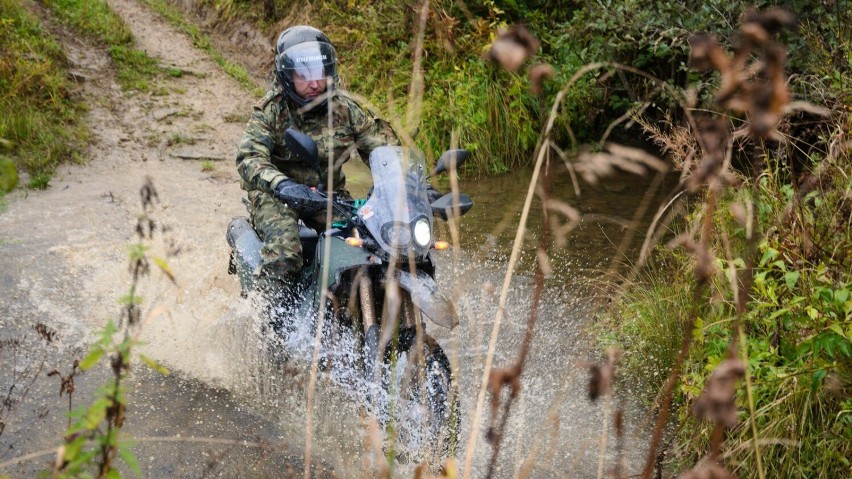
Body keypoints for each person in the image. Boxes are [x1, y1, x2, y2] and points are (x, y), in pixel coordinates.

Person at [235, 25, 401, 286]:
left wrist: (415, 185)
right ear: (287, 76)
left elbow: (385, 151)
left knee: (375, 246)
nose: (314, 83)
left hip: (329, 195)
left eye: (319, 73)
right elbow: (249, 158)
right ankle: (269, 310)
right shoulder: (272, 110)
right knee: (285, 254)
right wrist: (281, 184)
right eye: (303, 75)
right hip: (278, 196)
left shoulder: (345, 109)